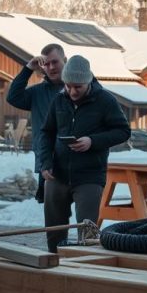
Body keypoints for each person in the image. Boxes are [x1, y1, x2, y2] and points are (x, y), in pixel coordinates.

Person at [40, 56, 130, 252]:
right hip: (58, 174)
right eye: (68, 86)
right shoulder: (58, 100)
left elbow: (123, 131)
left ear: (88, 82)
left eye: (77, 87)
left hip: (90, 176)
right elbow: (47, 132)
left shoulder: (105, 100)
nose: (72, 91)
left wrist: (93, 141)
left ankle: (87, 266)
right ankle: (53, 264)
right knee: (54, 229)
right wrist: (45, 162)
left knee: (87, 231)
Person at [6, 43, 67, 202]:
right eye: (46, 64)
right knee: (50, 213)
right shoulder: (37, 93)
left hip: (73, 159)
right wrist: (28, 69)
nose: (51, 67)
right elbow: (13, 97)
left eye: (55, 62)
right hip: (46, 162)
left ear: (65, 61)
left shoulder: (76, 89)